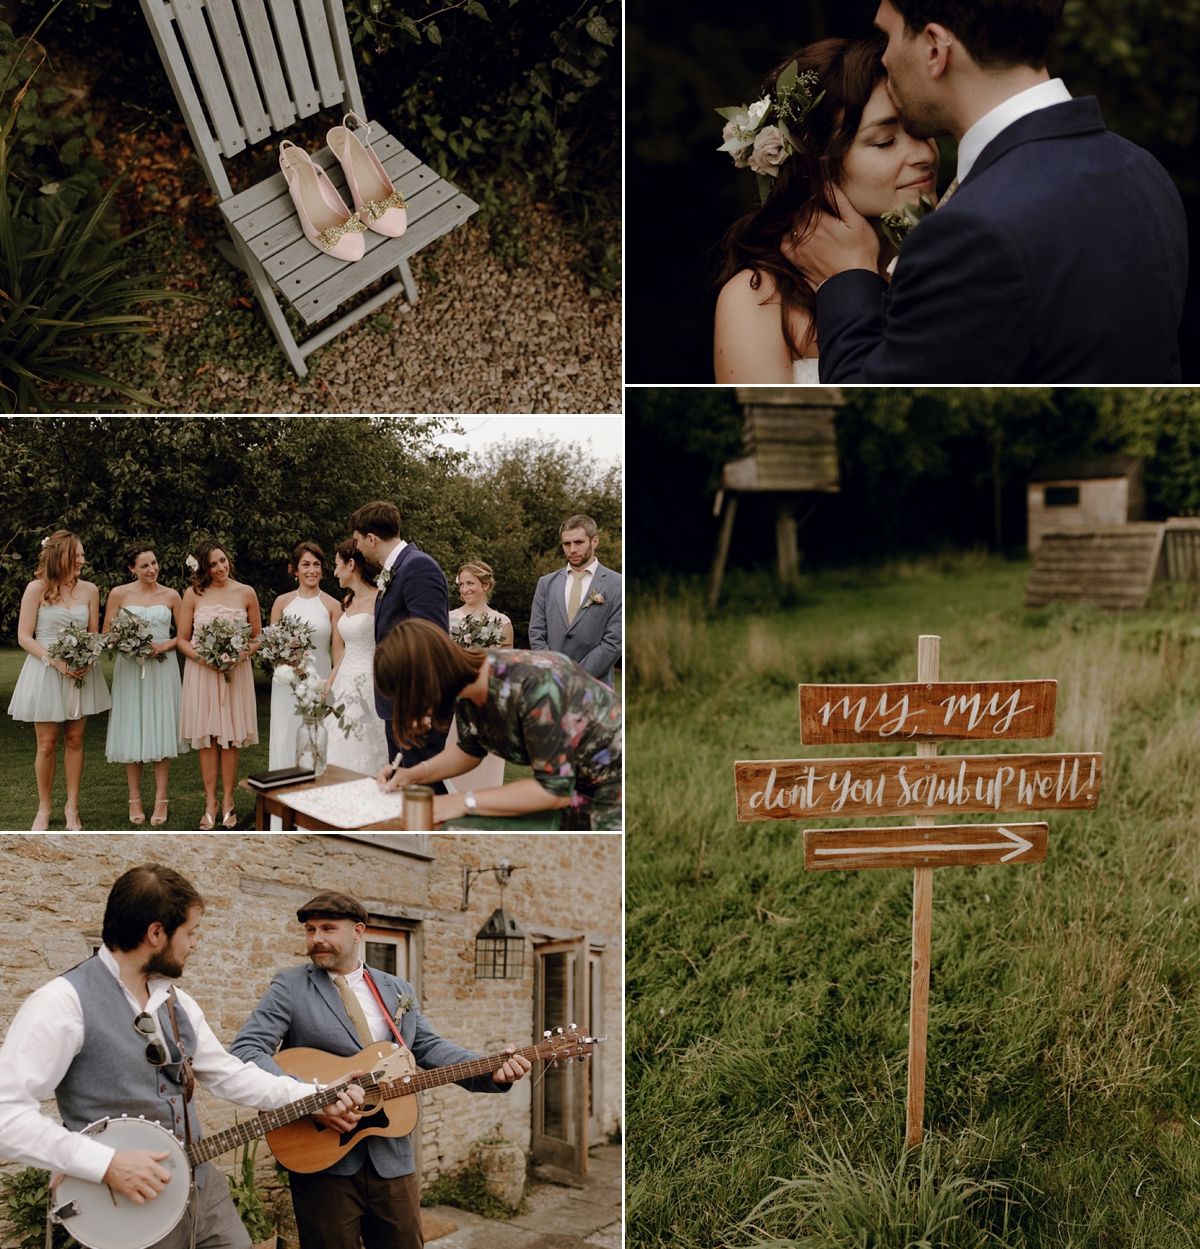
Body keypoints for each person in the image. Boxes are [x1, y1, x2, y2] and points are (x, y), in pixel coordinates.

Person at [787, 0, 1188, 382]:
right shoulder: (1144, 172)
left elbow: (873, 407)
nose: (885, 58)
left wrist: (846, 277)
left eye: (889, 37)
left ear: (935, 48)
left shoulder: (973, 229)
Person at [0, 865, 363, 1249]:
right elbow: (6, 1116)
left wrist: (316, 1093)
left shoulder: (178, 1003)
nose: (194, 944)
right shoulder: (61, 1003)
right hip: (126, 1210)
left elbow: (228, 1075)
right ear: (156, 933)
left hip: (204, 1192)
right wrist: (104, 1163)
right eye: (190, 933)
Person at [230, 892, 531, 1249]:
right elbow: (246, 1051)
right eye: (310, 930)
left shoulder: (397, 989)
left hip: (392, 1158)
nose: (316, 939)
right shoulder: (291, 986)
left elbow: (429, 1048)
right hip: (323, 1160)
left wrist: (490, 1069)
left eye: (328, 929)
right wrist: (311, 1098)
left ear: (358, 932)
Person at [713, 36, 938, 383]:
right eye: (884, 141)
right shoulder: (759, 300)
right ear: (813, 164)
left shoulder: (956, 262)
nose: (925, 155)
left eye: (923, 129)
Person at [375, 618, 623, 830]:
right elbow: (470, 749)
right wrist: (412, 775)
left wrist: (461, 802)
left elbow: (553, 790)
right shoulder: (465, 686)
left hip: (610, 791)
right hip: (570, 791)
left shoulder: (534, 687)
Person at [9, 530, 111, 831]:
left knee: (75, 740)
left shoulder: (90, 590)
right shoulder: (35, 589)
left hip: (80, 675)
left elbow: (94, 635)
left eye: (81, 555)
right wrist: (55, 661)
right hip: (46, 671)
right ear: (60, 556)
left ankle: (72, 807)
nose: (82, 560)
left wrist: (88, 660)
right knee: (47, 744)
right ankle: (44, 807)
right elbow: (24, 636)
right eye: (77, 555)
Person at [349, 501, 451, 787]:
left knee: (424, 784)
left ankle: (445, 832)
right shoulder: (398, 568)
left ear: (371, 538)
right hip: (398, 699)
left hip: (415, 703)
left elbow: (432, 640)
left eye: (357, 540)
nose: (357, 548)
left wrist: (424, 705)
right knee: (406, 784)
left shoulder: (417, 566)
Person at [176, 541, 262, 830]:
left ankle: (228, 801)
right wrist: (205, 658)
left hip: (234, 673)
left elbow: (257, 637)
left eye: (222, 560)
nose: (220, 568)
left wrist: (240, 655)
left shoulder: (246, 592)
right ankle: (210, 802)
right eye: (212, 564)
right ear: (204, 568)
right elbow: (182, 639)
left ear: (229, 560)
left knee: (230, 737)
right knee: (208, 737)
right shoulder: (192, 594)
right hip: (203, 673)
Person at [103, 541, 187, 828]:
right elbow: (107, 633)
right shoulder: (119, 594)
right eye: (144, 566)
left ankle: (161, 798)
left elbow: (185, 636)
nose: (152, 569)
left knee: (161, 729)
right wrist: (130, 644)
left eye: (154, 563)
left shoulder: (172, 595)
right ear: (131, 569)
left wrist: (163, 646)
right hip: (130, 669)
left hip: (162, 669)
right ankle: (134, 799)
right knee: (133, 730)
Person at [267, 543, 342, 828]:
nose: (312, 570)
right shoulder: (282, 602)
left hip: (318, 684)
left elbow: (338, 652)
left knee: (315, 742)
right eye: (306, 565)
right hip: (286, 685)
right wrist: (286, 663)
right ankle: (280, 814)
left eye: (317, 565)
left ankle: (310, 814)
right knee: (285, 740)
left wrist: (329, 683)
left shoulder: (333, 605)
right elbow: (272, 645)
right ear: (294, 570)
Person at [529, 515, 622, 689]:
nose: (572, 549)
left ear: (594, 541)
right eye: (566, 544)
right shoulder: (546, 583)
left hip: (595, 686)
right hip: (551, 684)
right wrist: (555, 672)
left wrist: (575, 677)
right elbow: (536, 632)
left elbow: (613, 642)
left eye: (578, 542)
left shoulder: (617, 584)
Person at [445, 561, 513, 794]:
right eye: (462, 584)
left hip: (485, 700)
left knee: (483, 760)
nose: (465, 589)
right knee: (452, 752)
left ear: (485, 584)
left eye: (470, 583)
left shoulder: (501, 622)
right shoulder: (448, 618)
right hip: (452, 697)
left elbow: (505, 668)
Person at [324, 538, 388, 776]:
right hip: (344, 681)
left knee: (360, 740)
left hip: (369, 682)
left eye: (337, 564)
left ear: (351, 564)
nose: (334, 571)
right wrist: (331, 678)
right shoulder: (347, 601)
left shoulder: (381, 600)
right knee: (336, 739)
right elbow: (348, 649)